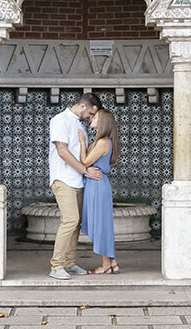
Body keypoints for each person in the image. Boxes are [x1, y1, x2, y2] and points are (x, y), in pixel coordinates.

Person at [48, 92, 103, 280]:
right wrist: (85, 171)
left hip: (78, 179)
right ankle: (56, 266)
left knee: (76, 223)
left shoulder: (80, 124)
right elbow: (62, 151)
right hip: (63, 178)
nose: (90, 118)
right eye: (90, 114)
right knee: (70, 220)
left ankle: (69, 263)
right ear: (82, 106)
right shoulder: (60, 120)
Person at [79, 108, 119, 274]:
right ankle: (112, 262)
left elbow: (85, 161)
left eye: (96, 116)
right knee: (101, 223)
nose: (92, 118)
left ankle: (106, 265)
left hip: (97, 185)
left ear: (103, 122)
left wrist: (82, 142)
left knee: (100, 224)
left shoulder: (103, 142)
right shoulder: (101, 141)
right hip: (94, 183)